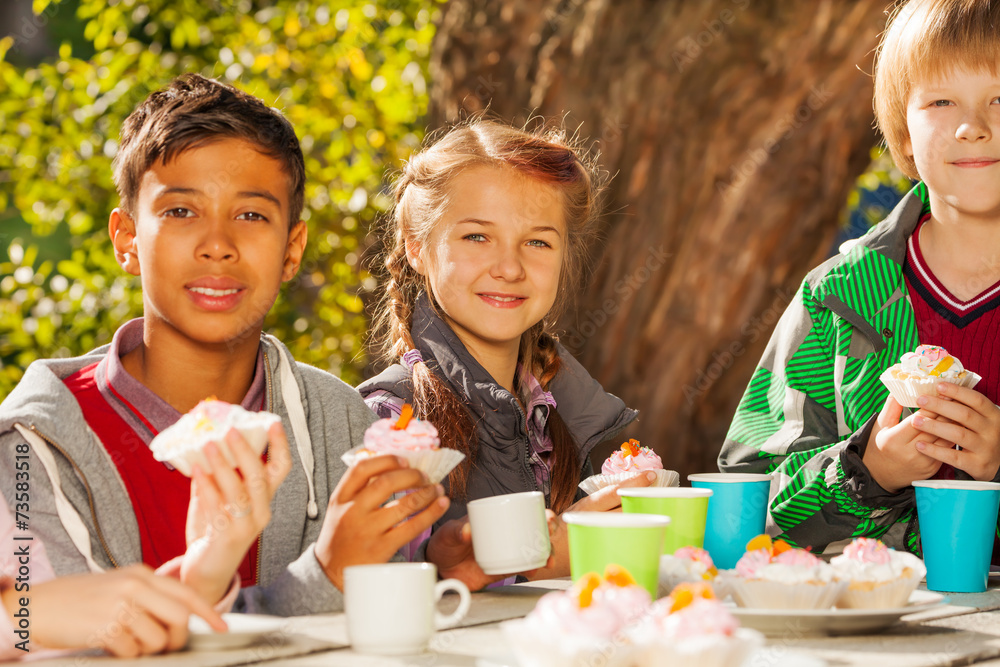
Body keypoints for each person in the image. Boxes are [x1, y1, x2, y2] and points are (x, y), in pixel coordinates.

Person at [0, 74, 449, 617]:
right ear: (127, 240)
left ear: (292, 249)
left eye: (252, 215)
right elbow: (49, 643)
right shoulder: (34, 443)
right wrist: (324, 577)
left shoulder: (342, 424)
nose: (218, 246)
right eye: (181, 211)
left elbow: (389, 635)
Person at [719, 0, 1000, 555]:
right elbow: (747, 505)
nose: (974, 127)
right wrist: (865, 470)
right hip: (866, 631)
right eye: (942, 101)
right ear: (902, 130)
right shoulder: (837, 298)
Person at [357, 118, 654, 589]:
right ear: (417, 247)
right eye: (477, 236)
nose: (511, 267)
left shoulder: (557, 415)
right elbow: (374, 603)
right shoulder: (388, 423)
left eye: (537, 241)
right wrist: (527, 563)